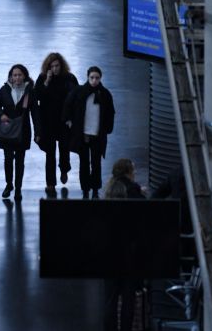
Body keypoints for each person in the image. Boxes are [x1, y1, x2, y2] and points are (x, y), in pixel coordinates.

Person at [103, 158, 145, 331]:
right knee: (128, 298)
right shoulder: (134, 191)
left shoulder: (109, 190)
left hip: (110, 253)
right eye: (133, 171)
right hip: (130, 254)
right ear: (128, 173)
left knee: (110, 299)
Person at [65, 66, 116, 198]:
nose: (94, 80)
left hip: (97, 134)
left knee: (96, 163)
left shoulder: (104, 94)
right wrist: (69, 120)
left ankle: (95, 189)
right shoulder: (80, 91)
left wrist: (107, 129)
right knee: (84, 163)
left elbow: (110, 112)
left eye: (97, 78)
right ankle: (86, 189)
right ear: (88, 77)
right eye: (92, 77)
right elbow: (68, 105)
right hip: (83, 134)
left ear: (100, 78)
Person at [32, 53, 78, 196]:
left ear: (61, 65)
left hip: (64, 121)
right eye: (52, 66)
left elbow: (75, 97)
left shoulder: (69, 78)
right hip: (48, 122)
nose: (55, 68)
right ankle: (50, 183)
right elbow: (37, 97)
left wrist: (72, 119)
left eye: (57, 65)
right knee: (49, 154)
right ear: (48, 67)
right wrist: (46, 81)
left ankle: (64, 170)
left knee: (64, 149)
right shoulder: (42, 78)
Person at [0, 64, 34, 201]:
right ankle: (9, 184)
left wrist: (39, 131)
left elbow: (35, 112)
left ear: (24, 76)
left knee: (20, 161)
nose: (17, 77)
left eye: (19, 75)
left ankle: (18, 189)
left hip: (23, 131)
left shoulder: (29, 92)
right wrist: (1, 115)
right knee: (8, 159)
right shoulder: (4, 90)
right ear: (11, 76)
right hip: (8, 130)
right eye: (14, 75)